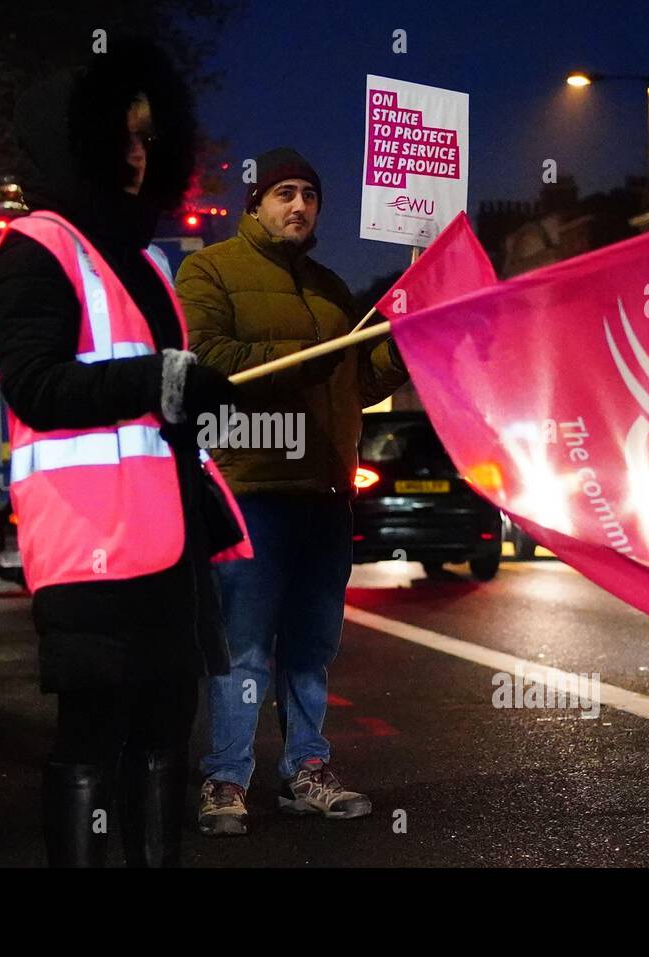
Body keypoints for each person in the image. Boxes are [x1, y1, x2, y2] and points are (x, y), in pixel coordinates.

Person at [0, 40, 251, 867]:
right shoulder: (34, 247)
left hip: (169, 544)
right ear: (74, 142)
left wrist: (197, 392)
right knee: (93, 733)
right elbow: (35, 385)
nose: (139, 154)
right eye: (121, 137)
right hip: (90, 546)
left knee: (166, 728)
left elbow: (155, 397)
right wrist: (159, 380)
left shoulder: (144, 262)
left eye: (146, 138)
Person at [177, 147, 409, 836]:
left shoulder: (333, 287)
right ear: (255, 203)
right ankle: (224, 779)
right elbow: (206, 358)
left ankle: (307, 769)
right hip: (251, 487)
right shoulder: (210, 268)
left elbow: (355, 383)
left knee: (311, 645)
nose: (299, 205)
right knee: (242, 644)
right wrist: (299, 358)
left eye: (309, 194)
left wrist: (400, 343)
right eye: (284, 192)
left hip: (324, 491)